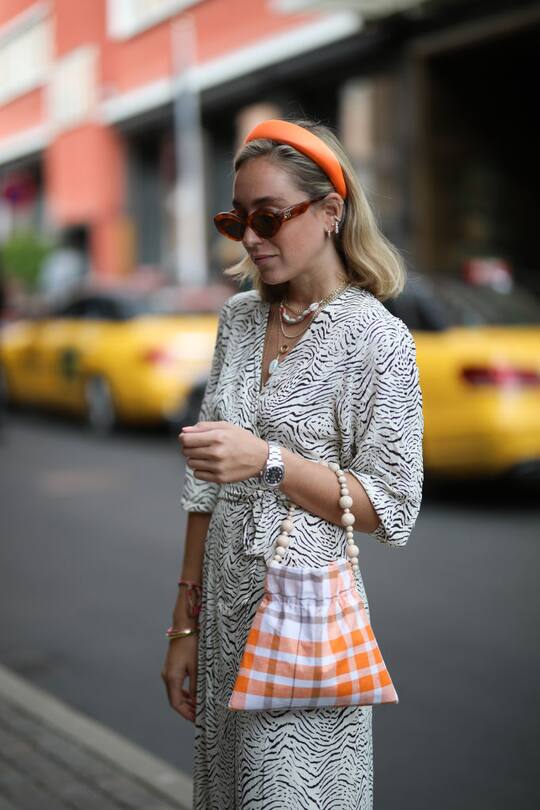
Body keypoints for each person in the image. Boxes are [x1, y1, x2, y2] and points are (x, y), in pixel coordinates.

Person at [161, 117, 424, 809]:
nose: (251, 236)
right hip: (223, 618)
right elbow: (202, 488)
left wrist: (269, 461)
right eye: (237, 219)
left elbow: (390, 508)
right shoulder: (239, 319)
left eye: (269, 217)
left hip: (304, 622)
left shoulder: (379, 340)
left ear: (331, 212)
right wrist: (184, 627)